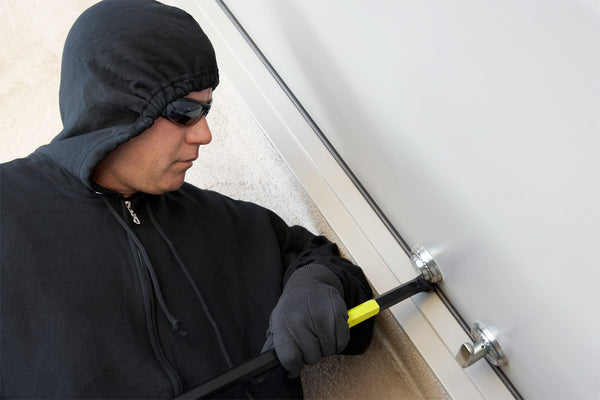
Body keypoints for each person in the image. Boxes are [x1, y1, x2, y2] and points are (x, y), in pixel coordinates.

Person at [0, 0, 374, 398]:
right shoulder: (9, 214)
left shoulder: (223, 222)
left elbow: (321, 262)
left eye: (206, 110)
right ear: (115, 104)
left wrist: (317, 283)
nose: (203, 134)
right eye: (183, 112)